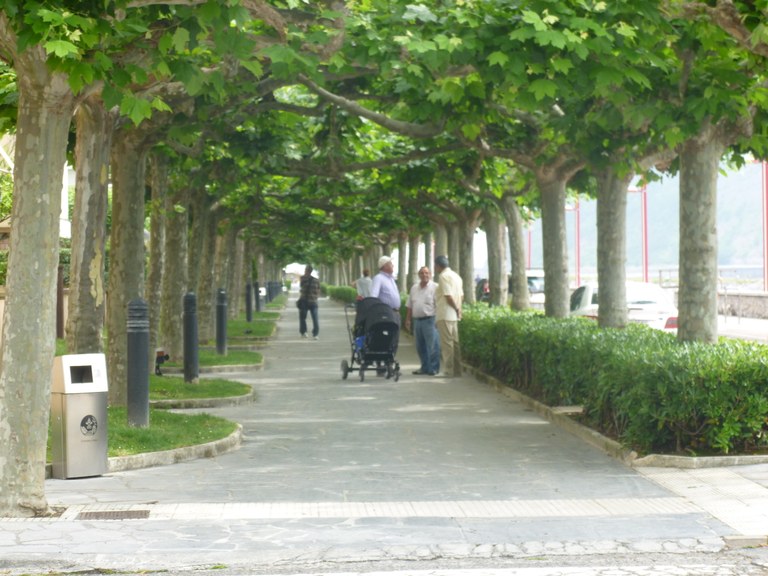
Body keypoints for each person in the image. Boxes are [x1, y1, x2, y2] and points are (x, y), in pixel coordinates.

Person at [405, 266, 440, 376]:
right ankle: (424, 367)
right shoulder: (414, 288)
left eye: (426, 273)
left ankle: (433, 368)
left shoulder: (435, 287)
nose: (424, 275)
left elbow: (439, 305)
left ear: (430, 274)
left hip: (430, 320)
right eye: (422, 273)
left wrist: (438, 320)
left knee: (433, 345)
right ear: (418, 275)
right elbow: (410, 305)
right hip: (417, 321)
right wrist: (408, 319)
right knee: (420, 347)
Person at [434, 255, 464, 377]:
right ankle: (457, 370)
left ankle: (448, 370)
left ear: (438, 266)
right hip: (454, 314)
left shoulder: (443, 276)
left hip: (445, 313)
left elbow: (448, 295)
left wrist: (456, 308)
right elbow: (461, 296)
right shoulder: (456, 276)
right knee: (455, 343)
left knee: (447, 344)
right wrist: (459, 309)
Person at [370, 255, 401, 323]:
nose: (393, 265)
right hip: (386, 314)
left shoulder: (391, 279)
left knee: (396, 333)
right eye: (391, 264)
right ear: (385, 266)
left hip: (396, 313)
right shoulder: (379, 278)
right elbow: (373, 297)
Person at [297, 264, 320, 340]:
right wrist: (315, 296)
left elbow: (301, 287)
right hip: (314, 301)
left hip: (304, 301)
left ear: (307, 271)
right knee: (315, 318)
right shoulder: (316, 280)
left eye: (305, 270)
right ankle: (315, 334)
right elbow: (318, 291)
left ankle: (304, 332)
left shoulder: (303, 279)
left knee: (302, 318)